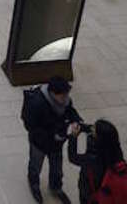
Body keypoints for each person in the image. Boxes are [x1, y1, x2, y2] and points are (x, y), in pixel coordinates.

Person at [22, 76, 81, 204]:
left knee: (57, 168)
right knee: (35, 165)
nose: (66, 98)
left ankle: (56, 187)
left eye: (67, 95)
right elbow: (30, 126)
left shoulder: (65, 99)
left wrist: (76, 121)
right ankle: (34, 183)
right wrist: (52, 135)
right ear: (52, 93)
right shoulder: (36, 103)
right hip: (39, 143)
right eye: (63, 96)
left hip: (57, 143)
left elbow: (70, 110)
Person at [68, 119, 127, 204]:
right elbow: (95, 130)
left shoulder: (93, 158)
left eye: (94, 129)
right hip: (108, 191)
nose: (91, 128)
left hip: (93, 195)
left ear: (98, 137)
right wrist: (82, 127)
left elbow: (73, 157)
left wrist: (73, 136)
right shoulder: (115, 149)